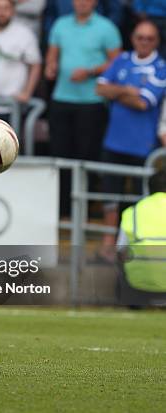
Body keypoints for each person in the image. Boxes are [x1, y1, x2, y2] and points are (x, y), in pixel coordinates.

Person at [96, 20, 166, 262]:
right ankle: (107, 244)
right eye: (140, 37)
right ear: (133, 38)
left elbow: (144, 103)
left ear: (157, 41)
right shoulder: (122, 59)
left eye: (149, 38)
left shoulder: (160, 67)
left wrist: (117, 91)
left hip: (143, 145)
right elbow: (100, 88)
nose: (144, 42)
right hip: (113, 140)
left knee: (139, 200)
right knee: (110, 197)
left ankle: (135, 249)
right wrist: (129, 90)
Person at [45, 0, 121, 216]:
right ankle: (62, 207)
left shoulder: (106, 27)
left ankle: (83, 209)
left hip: (91, 102)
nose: (82, 3)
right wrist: (51, 66)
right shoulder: (61, 24)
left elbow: (116, 62)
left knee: (86, 156)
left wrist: (90, 71)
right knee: (60, 155)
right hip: (62, 98)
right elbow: (53, 53)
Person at [117, 169, 166, 301]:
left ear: (149, 189)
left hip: (138, 284)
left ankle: (132, 300)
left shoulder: (132, 211)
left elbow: (120, 249)